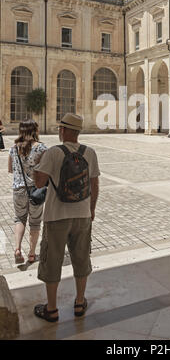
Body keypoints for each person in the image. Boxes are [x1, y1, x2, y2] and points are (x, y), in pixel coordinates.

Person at [33, 113, 100, 323]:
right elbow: (94, 185)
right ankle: (79, 302)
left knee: (51, 261)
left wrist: (37, 164)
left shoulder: (53, 153)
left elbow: (38, 183)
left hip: (56, 216)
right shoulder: (90, 152)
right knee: (81, 258)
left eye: (60, 128)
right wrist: (91, 210)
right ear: (78, 132)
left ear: (64, 131)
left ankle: (51, 309)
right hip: (82, 215)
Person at [8, 120, 47, 265]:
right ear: (34, 131)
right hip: (35, 191)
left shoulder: (13, 148)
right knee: (35, 223)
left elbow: (10, 169)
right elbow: (46, 169)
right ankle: (31, 254)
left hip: (18, 189)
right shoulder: (41, 148)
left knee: (19, 219)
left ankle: (17, 249)